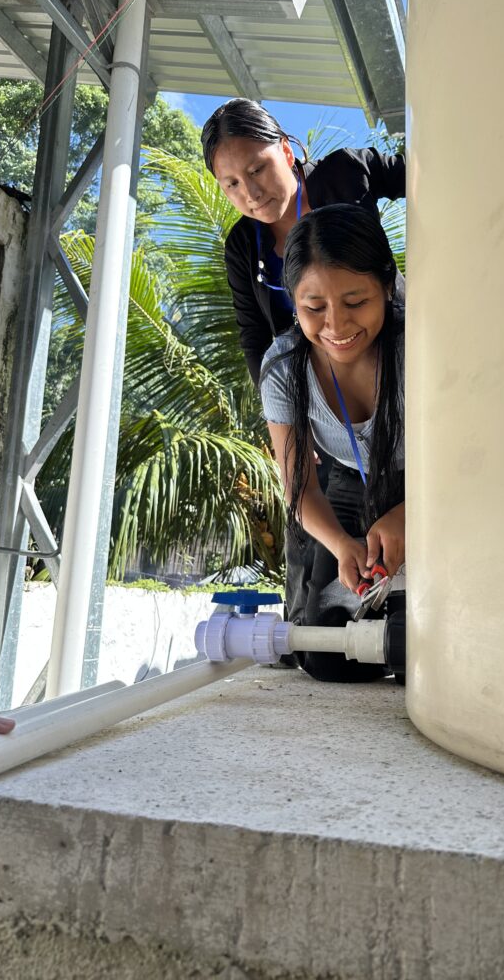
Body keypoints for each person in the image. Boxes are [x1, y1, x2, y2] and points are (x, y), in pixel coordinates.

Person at [259, 204, 404, 683]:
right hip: (347, 483)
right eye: (314, 308)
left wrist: (414, 514)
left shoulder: (425, 346)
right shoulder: (284, 369)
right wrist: (343, 545)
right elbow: (301, 490)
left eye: (356, 301)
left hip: (442, 488)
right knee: (325, 652)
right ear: (293, 303)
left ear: (387, 285)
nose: (336, 328)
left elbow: (479, 462)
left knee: (425, 645)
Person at [200, 98, 405, 386]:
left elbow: (431, 176)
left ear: (285, 150)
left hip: (403, 352)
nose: (252, 193)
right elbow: (254, 337)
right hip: (325, 393)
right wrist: (281, 411)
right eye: (232, 183)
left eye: (257, 170)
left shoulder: (347, 171)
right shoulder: (241, 244)